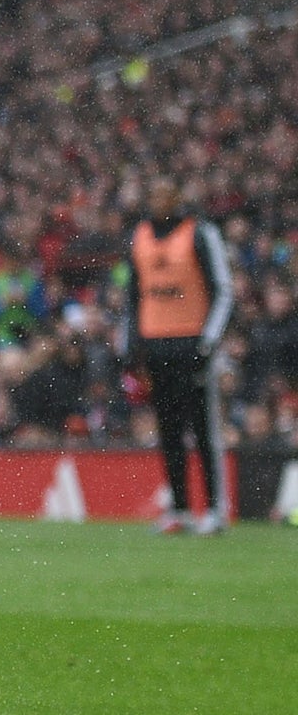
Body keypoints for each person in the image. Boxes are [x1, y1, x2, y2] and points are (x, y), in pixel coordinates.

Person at [125, 178, 234, 534]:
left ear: (178, 197)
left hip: (191, 343)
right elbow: (134, 295)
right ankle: (180, 508)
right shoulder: (139, 236)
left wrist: (208, 342)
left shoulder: (200, 234)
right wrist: (131, 343)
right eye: (153, 194)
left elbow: (223, 290)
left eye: (165, 194)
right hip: (156, 345)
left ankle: (216, 508)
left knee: (204, 429)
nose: (159, 200)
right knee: (169, 431)